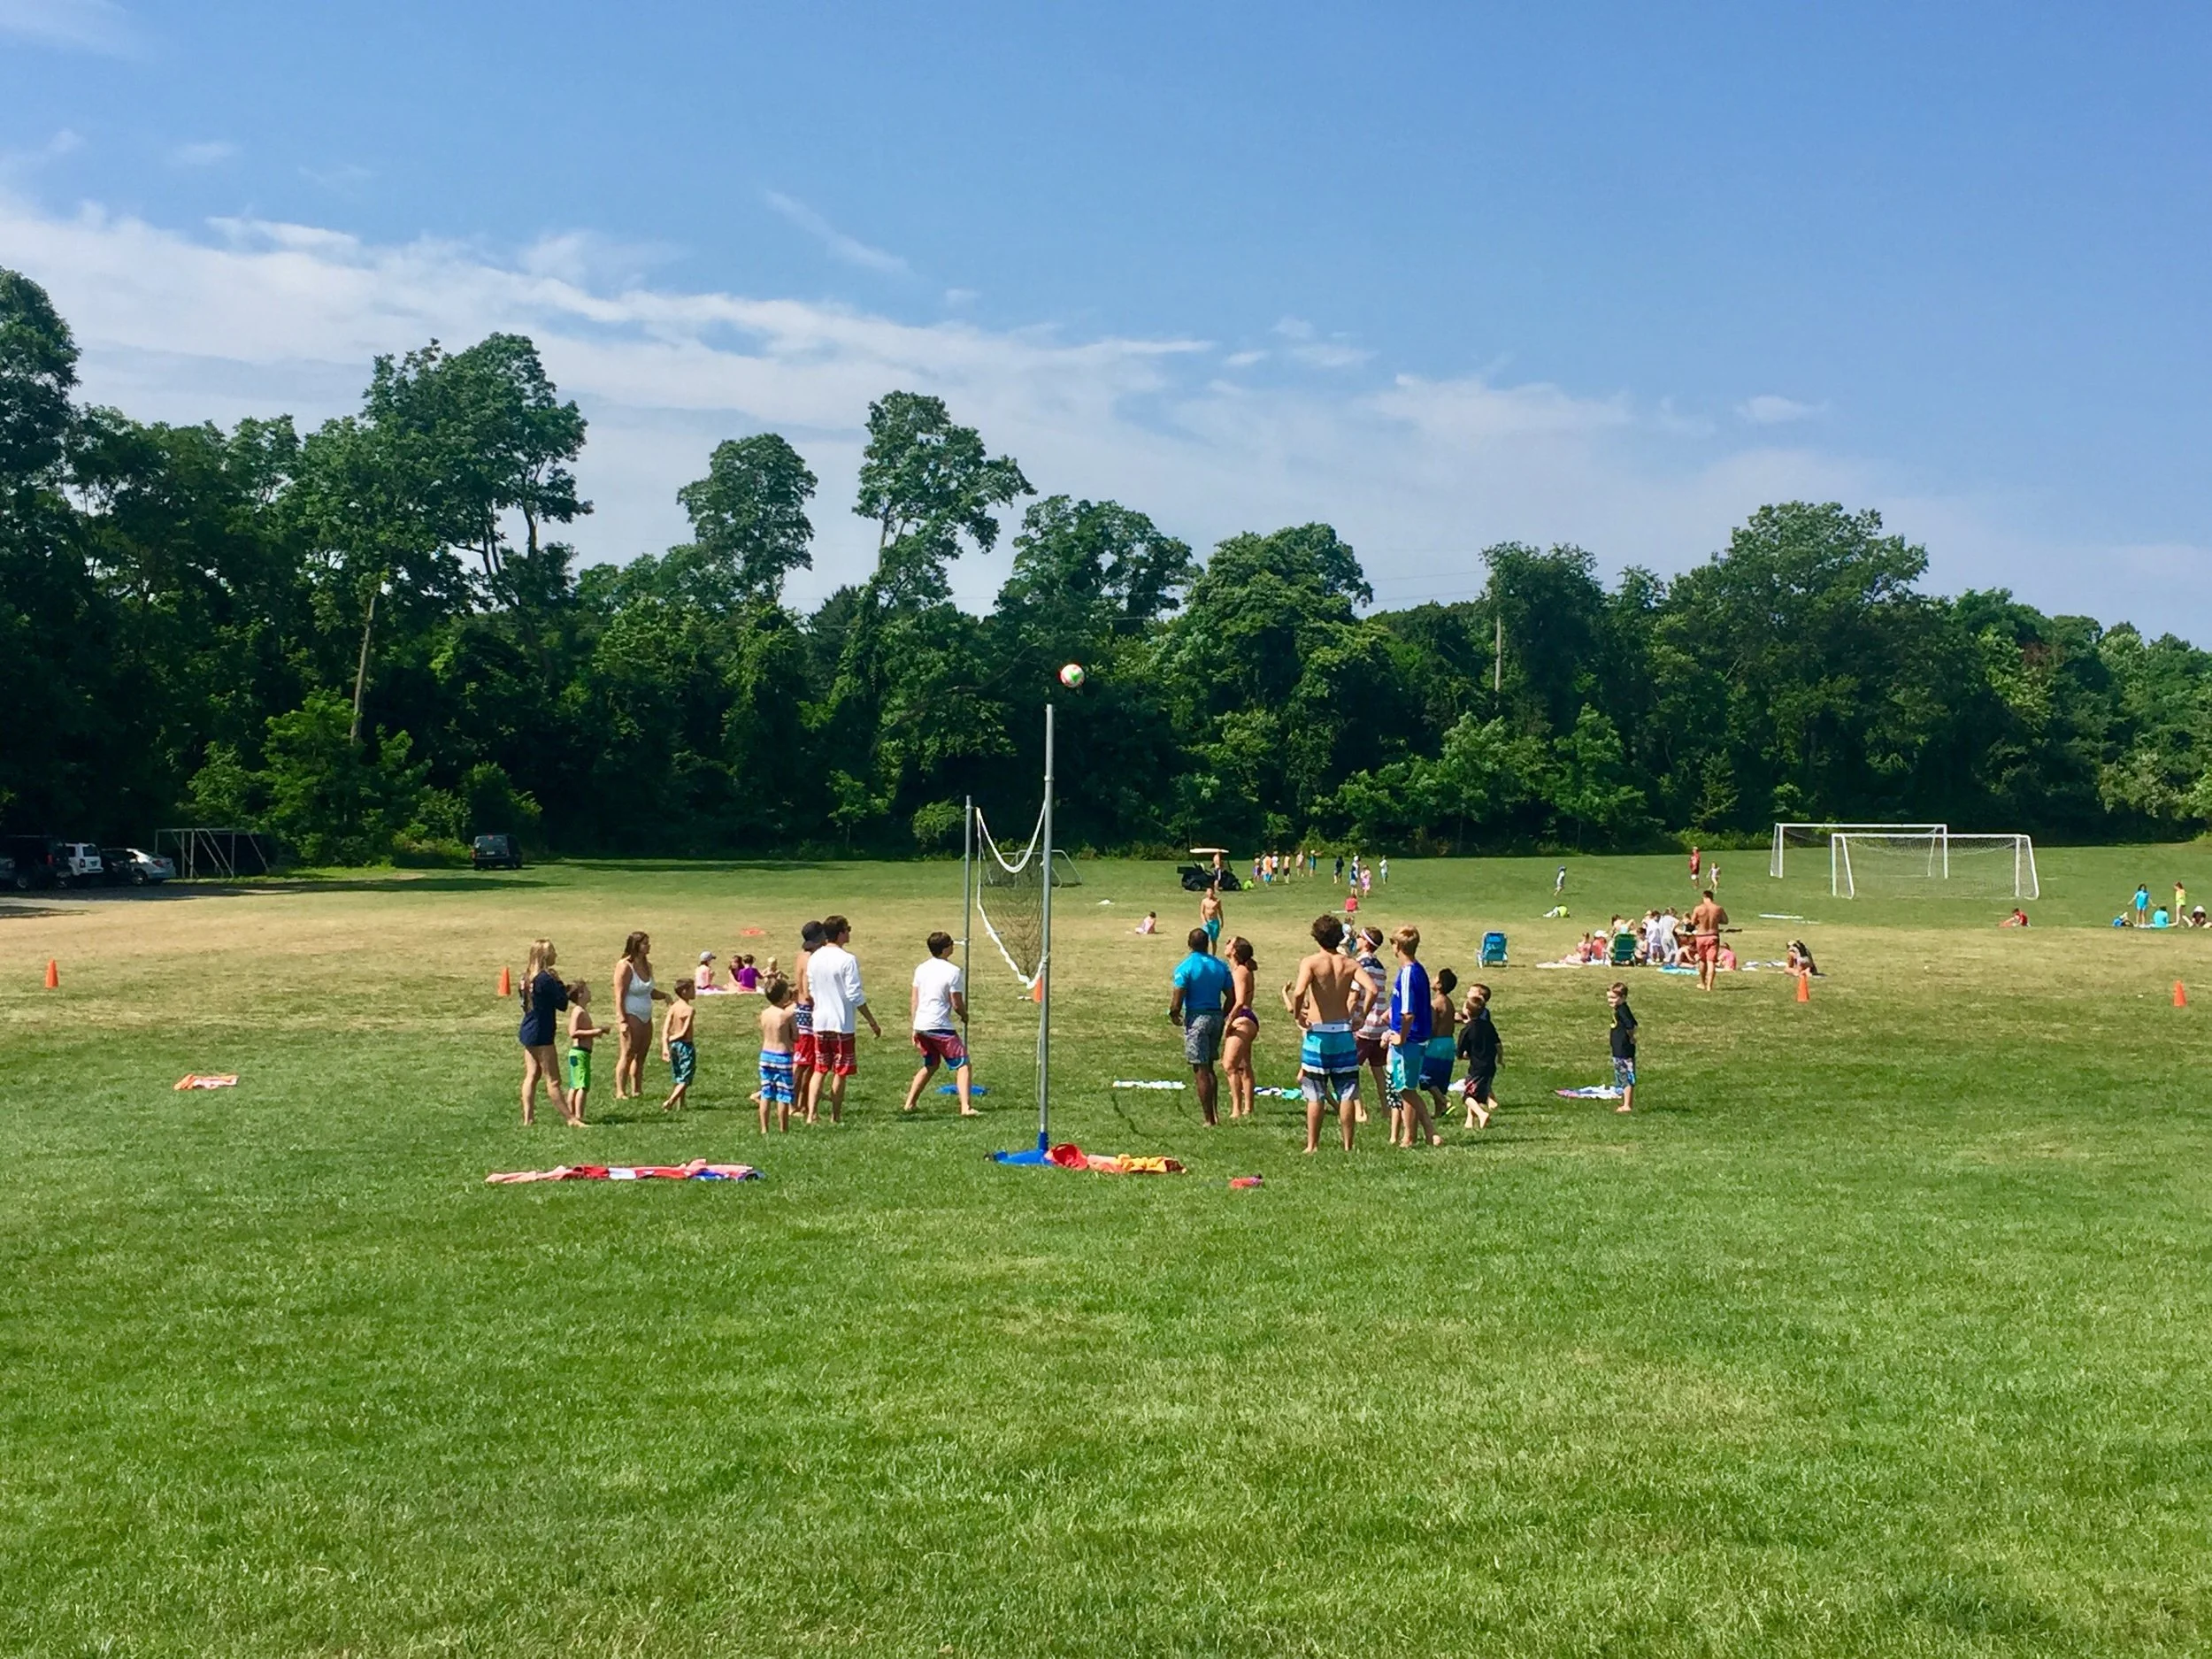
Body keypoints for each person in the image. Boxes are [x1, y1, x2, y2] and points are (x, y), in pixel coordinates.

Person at [1284, 913, 1374, 1154]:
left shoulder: (1311, 962)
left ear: (1316, 937)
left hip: (1318, 1034)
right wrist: (1361, 1016)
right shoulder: (1350, 963)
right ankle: (1348, 1145)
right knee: (1346, 1091)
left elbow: (1299, 991)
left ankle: (1313, 1145)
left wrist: (1298, 1016)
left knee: (1315, 1092)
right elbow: (1372, 990)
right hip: (1343, 1032)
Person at [807, 915, 880, 1125]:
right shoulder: (847, 959)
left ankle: (812, 1114)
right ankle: (835, 1115)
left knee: (820, 1068)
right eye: (847, 929)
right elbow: (854, 994)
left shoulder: (815, 957)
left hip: (820, 1021)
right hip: (842, 1023)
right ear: (840, 933)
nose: (849, 932)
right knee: (840, 1070)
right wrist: (871, 1020)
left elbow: (812, 989)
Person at [902, 930, 976, 1116]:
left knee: (931, 1064)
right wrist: (964, 1015)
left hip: (922, 1025)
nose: (953, 946)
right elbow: (956, 1002)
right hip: (940, 1026)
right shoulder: (953, 971)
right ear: (945, 949)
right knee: (963, 1064)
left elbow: (915, 999)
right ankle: (966, 1107)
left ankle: (910, 1103)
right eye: (951, 943)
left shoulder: (921, 968)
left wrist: (914, 1026)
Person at [1168, 927, 1233, 1126]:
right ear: (1206, 944)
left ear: (1189, 944)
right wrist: (1222, 1015)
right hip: (1215, 1017)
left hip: (1196, 1018)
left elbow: (1178, 995)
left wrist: (1174, 1013)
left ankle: (1208, 1119)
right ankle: (1215, 1114)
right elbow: (1232, 996)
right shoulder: (1220, 966)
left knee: (1200, 1068)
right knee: (1210, 1066)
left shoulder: (1185, 967)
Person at [1384, 926, 1440, 1148]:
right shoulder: (1418, 970)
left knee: (1405, 1088)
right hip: (1416, 1037)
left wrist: (1401, 1037)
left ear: (1398, 947)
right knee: (1406, 1087)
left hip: (1410, 1039)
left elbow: (1408, 1013)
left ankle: (1427, 1132)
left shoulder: (1408, 973)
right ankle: (1414, 1135)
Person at [518, 939, 572, 1127]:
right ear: (544, 956)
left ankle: (528, 1118)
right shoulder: (546, 979)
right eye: (553, 951)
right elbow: (562, 1004)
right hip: (542, 1032)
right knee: (553, 1079)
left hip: (528, 1029)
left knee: (531, 1075)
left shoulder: (525, 977)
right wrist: (562, 985)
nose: (556, 954)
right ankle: (571, 1119)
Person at [612, 932, 666, 1100]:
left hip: (646, 1014)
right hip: (631, 1013)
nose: (648, 946)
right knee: (628, 1052)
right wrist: (622, 1020)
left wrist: (665, 996)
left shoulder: (648, 966)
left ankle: (637, 1089)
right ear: (636, 945)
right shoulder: (625, 966)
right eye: (645, 943)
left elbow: (649, 991)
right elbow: (619, 995)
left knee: (642, 1053)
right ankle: (620, 1091)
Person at [1351, 926, 1391, 1124]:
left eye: (1359, 937)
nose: (1356, 939)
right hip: (1381, 1026)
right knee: (1378, 1069)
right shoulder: (1380, 966)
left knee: (1350, 1068)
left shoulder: (1360, 965)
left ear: (1366, 942)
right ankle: (1386, 1107)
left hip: (1364, 1025)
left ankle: (1359, 1110)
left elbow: (1356, 993)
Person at [752, 974, 797, 1133]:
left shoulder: (764, 1013)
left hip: (765, 1055)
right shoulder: (786, 1015)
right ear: (784, 995)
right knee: (783, 1094)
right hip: (782, 1055)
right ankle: (783, 1128)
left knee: (766, 1093)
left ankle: (764, 1128)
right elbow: (796, 1036)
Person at [1222, 935, 1261, 1120]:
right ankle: (1248, 1109)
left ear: (1235, 951)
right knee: (1244, 1066)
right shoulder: (1241, 970)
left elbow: (1239, 1002)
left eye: (1230, 942)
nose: (1226, 943)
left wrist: (1228, 1023)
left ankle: (1236, 1110)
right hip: (1247, 1019)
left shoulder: (1240, 972)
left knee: (1229, 1065)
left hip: (1242, 1019)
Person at [791, 920, 826, 1123]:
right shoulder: (810, 958)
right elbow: (806, 990)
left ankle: (803, 1103)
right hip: (807, 1011)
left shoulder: (802, 956)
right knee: (803, 1062)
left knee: (810, 1061)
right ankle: (793, 1104)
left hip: (803, 1010)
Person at [564, 979, 609, 1125]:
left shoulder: (581, 1011)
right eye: (588, 990)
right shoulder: (578, 1011)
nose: (590, 993)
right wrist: (596, 1032)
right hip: (580, 1052)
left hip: (580, 1053)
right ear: (581, 994)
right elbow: (573, 1032)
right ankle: (578, 1116)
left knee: (575, 1084)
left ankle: (572, 1116)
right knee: (582, 1085)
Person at [1458, 982, 1501, 1129]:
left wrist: (1464, 1055)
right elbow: (1497, 1043)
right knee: (1476, 1092)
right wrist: (1500, 1058)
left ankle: (1482, 1114)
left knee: (1467, 1096)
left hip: (1477, 1066)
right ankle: (1470, 1120)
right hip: (1490, 1064)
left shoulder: (1467, 1030)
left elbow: (1460, 1052)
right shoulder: (1488, 1025)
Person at [1421, 966, 1458, 1130]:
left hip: (1436, 1044)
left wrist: (1423, 1039)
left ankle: (1443, 1100)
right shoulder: (1449, 1003)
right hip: (1449, 1043)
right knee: (1440, 1078)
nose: (1432, 979)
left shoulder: (1435, 1003)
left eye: (1435, 977)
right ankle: (1439, 1110)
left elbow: (1432, 1025)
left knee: (1425, 1076)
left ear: (1440, 984)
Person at [659, 979, 697, 1112]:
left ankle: (681, 1104)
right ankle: (670, 1102)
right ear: (685, 991)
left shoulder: (674, 1007)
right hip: (685, 1046)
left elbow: (665, 1028)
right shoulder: (689, 1010)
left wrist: (665, 1045)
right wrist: (671, 1038)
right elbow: (683, 1032)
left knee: (678, 1075)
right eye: (693, 989)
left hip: (674, 1047)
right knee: (685, 1078)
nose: (695, 991)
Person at [1686, 887, 1729, 992]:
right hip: (1713, 935)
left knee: (1702, 960)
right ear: (1712, 897)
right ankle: (1710, 986)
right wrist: (1715, 920)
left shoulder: (1698, 908)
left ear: (1704, 897)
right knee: (1711, 961)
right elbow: (1725, 921)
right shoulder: (1718, 908)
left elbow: (1693, 922)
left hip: (1701, 936)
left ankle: (1702, 983)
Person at [1607, 980, 1638, 1114]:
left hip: (1624, 1049)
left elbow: (1631, 1025)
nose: (1610, 1000)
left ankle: (1627, 1105)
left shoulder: (1623, 1010)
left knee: (1627, 1077)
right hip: (1619, 1049)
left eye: (1614, 998)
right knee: (1622, 1076)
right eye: (1609, 997)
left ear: (1623, 998)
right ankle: (1625, 1101)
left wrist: (1631, 1037)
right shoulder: (1619, 1009)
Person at [1199, 884, 1225, 951]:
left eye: (1211, 892)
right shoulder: (1204, 901)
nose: (1210, 893)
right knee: (1205, 939)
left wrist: (1222, 921)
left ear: (1213, 892)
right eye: (1208, 892)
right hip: (1207, 922)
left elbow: (1220, 911)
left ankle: (1213, 955)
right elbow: (1202, 912)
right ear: (1206, 893)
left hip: (1214, 922)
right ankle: (1206, 953)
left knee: (1214, 940)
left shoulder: (1217, 901)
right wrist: (1204, 921)